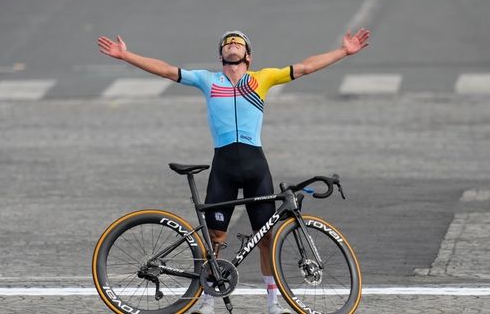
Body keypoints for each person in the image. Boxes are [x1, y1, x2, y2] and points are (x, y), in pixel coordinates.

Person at [97, 28, 370, 314]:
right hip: (223, 167)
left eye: (238, 43)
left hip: (256, 167)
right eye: (227, 43)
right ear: (221, 55)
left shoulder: (262, 78)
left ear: (248, 56)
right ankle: (208, 301)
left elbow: (304, 68)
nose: (232, 45)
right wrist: (125, 55)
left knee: (266, 238)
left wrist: (343, 51)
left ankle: (273, 303)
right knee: (215, 238)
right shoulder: (208, 80)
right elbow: (167, 71)